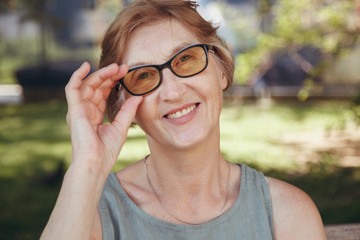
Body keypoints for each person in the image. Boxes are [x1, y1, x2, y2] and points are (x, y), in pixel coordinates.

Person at [41, 0, 326, 239]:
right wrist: (86, 166)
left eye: (186, 59)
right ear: (124, 104)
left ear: (222, 70)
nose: (174, 91)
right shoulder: (91, 216)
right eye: (143, 76)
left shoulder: (286, 214)